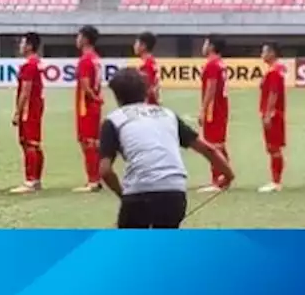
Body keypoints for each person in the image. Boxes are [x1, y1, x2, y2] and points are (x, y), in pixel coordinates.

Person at [99, 68, 234, 229]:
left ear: (116, 96)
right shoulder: (167, 115)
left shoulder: (113, 120)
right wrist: (228, 174)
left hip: (138, 191)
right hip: (174, 191)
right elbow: (207, 149)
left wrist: (124, 195)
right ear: (146, 91)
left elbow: (105, 170)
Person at [10, 32, 46, 194]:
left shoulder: (29, 65)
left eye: (23, 43)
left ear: (30, 46)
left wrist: (18, 112)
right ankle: (36, 179)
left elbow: (26, 90)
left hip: (29, 108)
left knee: (29, 143)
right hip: (36, 106)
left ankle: (30, 180)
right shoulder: (36, 63)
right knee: (34, 144)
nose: (20, 46)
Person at [198, 35, 230, 193]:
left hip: (214, 110)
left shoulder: (212, 65)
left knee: (213, 145)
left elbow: (211, 88)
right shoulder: (220, 64)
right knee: (218, 144)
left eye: (205, 43)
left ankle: (218, 180)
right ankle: (224, 176)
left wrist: (203, 110)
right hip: (221, 108)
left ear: (211, 46)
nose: (203, 46)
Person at [74, 25, 104, 193]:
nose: (76, 40)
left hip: (86, 105)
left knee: (88, 142)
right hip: (93, 105)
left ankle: (93, 180)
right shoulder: (96, 58)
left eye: (78, 36)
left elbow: (85, 86)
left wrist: (93, 97)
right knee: (93, 142)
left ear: (85, 39)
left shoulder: (85, 60)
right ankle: (96, 178)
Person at [258, 41, 287, 193]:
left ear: (272, 53)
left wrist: (268, 114)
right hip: (273, 113)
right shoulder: (275, 70)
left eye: (264, 51)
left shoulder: (274, 71)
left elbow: (273, 93)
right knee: (272, 147)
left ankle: (276, 181)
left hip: (273, 114)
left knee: (273, 147)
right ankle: (275, 180)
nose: (262, 54)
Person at [134, 31, 160, 105]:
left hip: (148, 107)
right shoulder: (151, 62)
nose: (134, 46)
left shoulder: (147, 65)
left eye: (136, 43)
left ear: (143, 46)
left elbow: (147, 90)